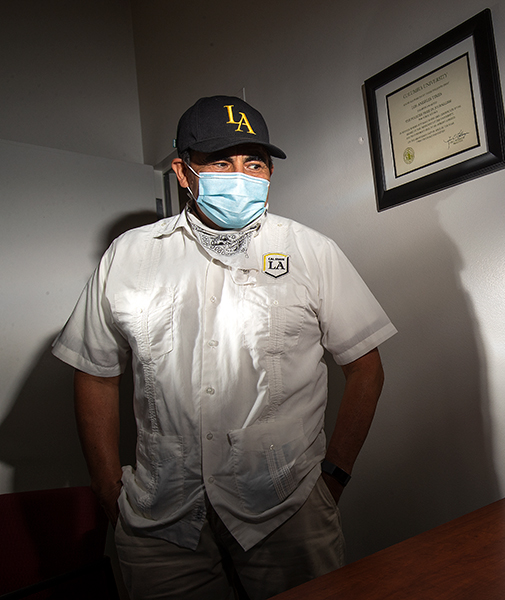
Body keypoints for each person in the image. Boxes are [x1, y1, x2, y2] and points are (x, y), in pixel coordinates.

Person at [52, 95, 397, 600]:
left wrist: (334, 478)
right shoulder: (129, 256)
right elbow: (95, 370)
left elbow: (366, 367)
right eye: (220, 162)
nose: (241, 176)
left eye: (254, 163)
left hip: (286, 509)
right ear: (184, 173)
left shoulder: (311, 251)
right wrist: (108, 490)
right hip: (162, 518)